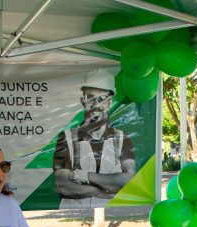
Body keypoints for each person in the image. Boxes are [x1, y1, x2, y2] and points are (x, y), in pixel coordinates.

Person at [53, 69, 136, 209]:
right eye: (90, 98)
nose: (96, 104)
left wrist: (85, 176)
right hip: (72, 220)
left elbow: (128, 180)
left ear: (109, 103)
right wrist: (110, 188)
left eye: (102, 99)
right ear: (83, 101)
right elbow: (63, 187)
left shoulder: (122, 138)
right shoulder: (66, 138)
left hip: (111, 216)